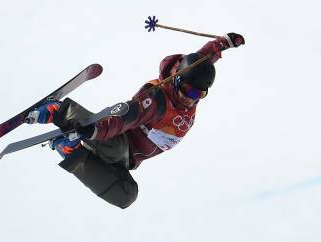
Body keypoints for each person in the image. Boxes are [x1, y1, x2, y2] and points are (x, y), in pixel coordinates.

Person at [27, 33, 245, 209]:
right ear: (177, 79)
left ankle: (70, 150)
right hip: (116, 141)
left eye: (199, 95)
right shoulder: (157, 99)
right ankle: (60, 112)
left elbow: (204, 57)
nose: (190, 98)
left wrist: (224, 43)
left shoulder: (191, 77)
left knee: (126, 196)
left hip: (128, 159)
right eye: (188, 90)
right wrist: (95, 130)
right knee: (115, 149)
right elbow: (124, 118)